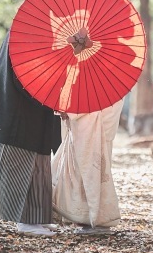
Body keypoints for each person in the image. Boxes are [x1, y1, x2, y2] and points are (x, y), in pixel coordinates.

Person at [0, 33, 62, 237]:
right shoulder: (26, 34)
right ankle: (25, 221)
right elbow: (27, 74)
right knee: (22, 165)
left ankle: (37, 217)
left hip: (29, 109)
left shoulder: (28, 31)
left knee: (38, 165)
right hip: (18, 110)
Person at [52, 98, 124, 235]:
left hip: (94, 123)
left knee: (92, 172)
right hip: (93, 122)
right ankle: (85, 216)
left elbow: (91, 99)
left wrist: (70, 110)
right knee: (85, 172)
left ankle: (97, 219)